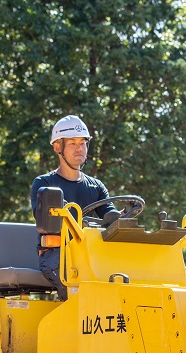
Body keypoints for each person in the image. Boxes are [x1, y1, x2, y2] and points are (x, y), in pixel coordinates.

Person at [31, 115, 120, 300]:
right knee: (78, 283)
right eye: (72, 143)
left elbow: (110, 217)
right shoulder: (44, 184)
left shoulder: (96, 186)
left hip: (90, 254)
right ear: (57, 147)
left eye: (83, 143)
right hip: (57, 256)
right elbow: (46, 221)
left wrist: (122, 216)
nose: (79, 148)